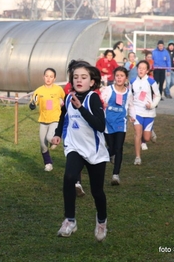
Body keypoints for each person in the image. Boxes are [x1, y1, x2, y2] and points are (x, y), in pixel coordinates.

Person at [52, 63, 109, 242]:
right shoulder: (69, 98)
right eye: (76, 77)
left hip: (94, 151)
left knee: (97, 191)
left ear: (92, 82)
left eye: (83, 77)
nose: (79, 80)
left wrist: (81, 109)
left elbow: (100, 126)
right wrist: (57, 133)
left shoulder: (93, 98)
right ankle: (70, 220)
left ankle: (101, 221)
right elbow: (63, 116)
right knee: (69, 177)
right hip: (74, 147)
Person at [101, 66, 135, 185]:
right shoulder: (108, 89)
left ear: (126, 78)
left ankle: (115, 175)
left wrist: (132, 115)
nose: (119, 78)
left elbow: (130, 105)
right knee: (112, 147)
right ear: (114, 77)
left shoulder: (128, 92)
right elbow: (100, 100)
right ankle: (104, 156)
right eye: (117, 76)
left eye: (122, 76)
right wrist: (103, 103)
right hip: (108, 123)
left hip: (121, 123)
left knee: (119, 147)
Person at [29, 68, 65, 172]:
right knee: (42, 145)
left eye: (51, 76)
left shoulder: (58, 89)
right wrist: (32, 105)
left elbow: (65, 99)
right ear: (43, 77)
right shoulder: (39, 91)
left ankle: (56, 139)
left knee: (50, 137)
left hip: (55, 119)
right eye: (46, 76)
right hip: (43, 120)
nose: (48, 78)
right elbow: (33, 103)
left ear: (54, 78)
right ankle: (48, 164)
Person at [131, 60, 161, 165]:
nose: (141, 70)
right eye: (139, 68)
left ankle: (150, 131)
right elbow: (129, 98)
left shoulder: (151, 82)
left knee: (147, 138)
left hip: (149, 113)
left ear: (147, 70)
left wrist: (152, 105)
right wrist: (130, 112)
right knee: (137, 134)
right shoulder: (132, 82)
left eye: (143, 68)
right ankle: (137, 157)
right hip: (137, 112)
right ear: (137, 69)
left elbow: (158, 95)